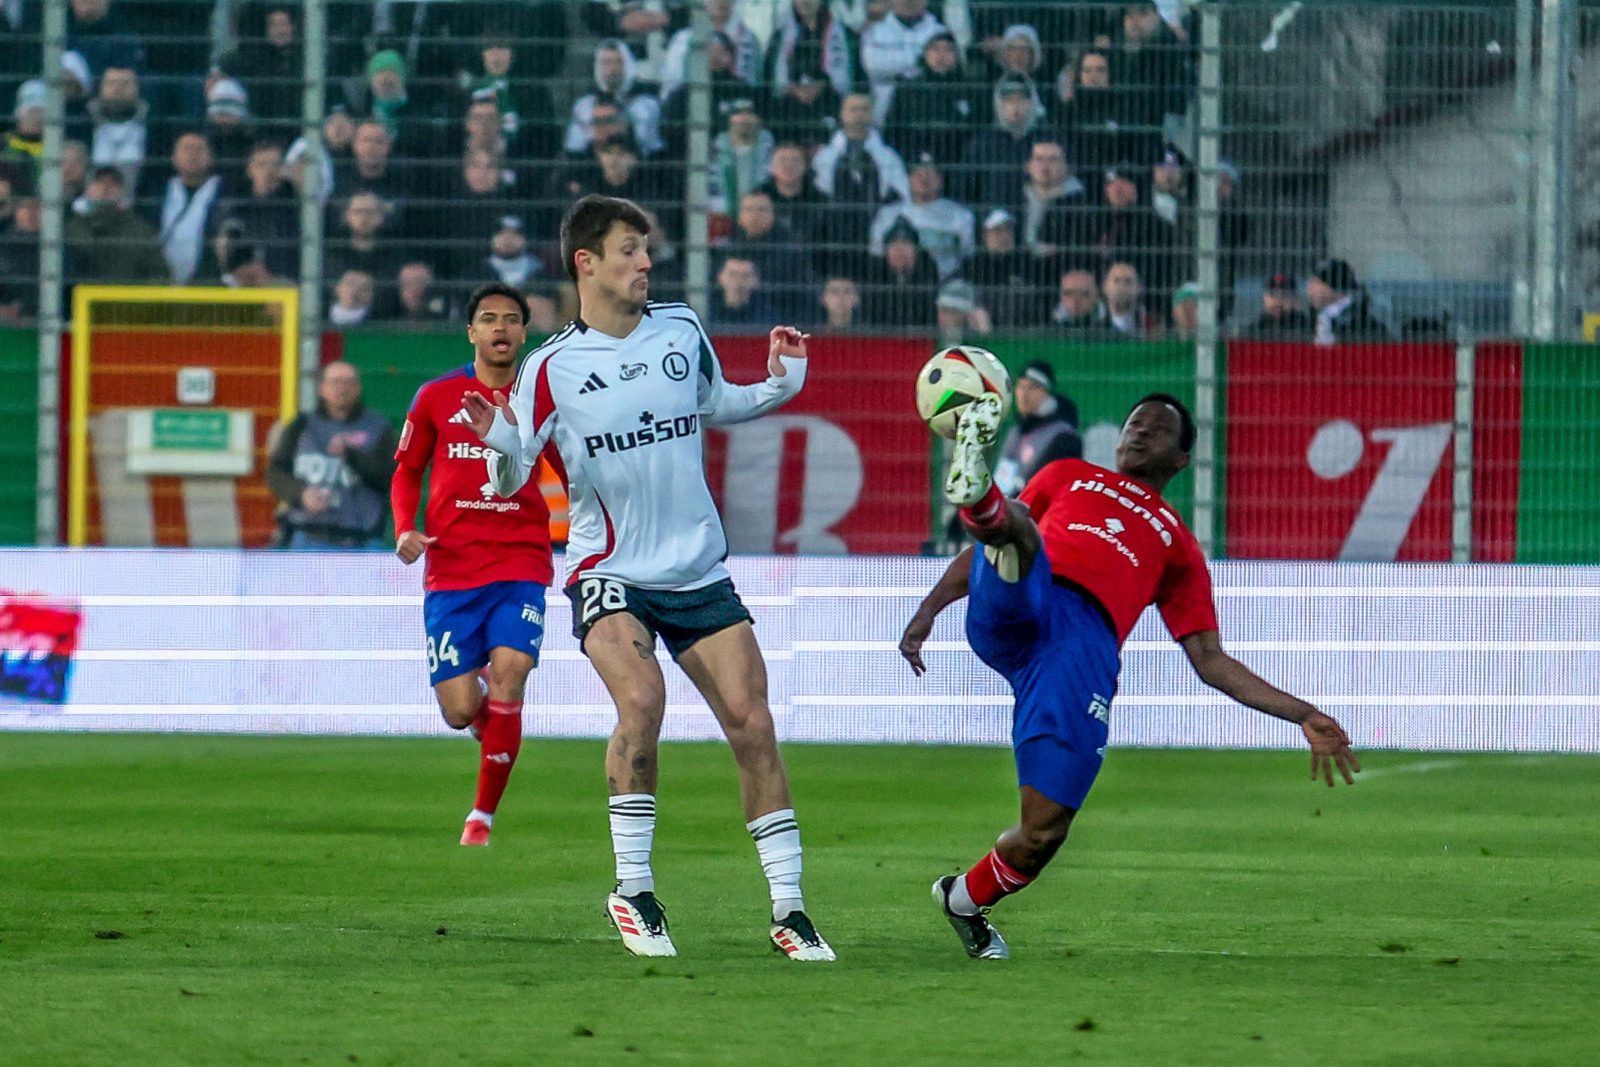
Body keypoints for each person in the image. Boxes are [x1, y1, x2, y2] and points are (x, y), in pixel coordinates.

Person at [463, 194, 834, 962]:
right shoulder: (549, 366)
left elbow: (711, 403)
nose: (645, 262)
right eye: (630, 249)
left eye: (646, 250)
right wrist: (500, 441)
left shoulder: (682, 327)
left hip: (696, 565)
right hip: (611, 570)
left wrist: (778, 387)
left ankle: (791, 911)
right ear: (586, 262)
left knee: (754, 724)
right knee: (643, 698)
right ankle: (632, 891)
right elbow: (510, 474)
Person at [900, 391, 1360, 960]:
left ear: (1182, 460)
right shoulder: (1068, 473)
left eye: (1157, 430)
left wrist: (1304, 713)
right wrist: (928, 610)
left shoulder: (1177, 543)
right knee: (1017, 530)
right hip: (1030, 599)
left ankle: (963, 901)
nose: (1139, 433)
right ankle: (981, 500)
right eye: (1134, 424)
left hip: (1080, 651)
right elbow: (983, 556)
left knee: (1043, 832)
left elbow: (1210, 660)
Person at [391, 284, 554, 846]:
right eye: (489, 319)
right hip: (452, 569)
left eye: (512, 319)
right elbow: (408, 469)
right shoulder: (437, 395)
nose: (500, 328)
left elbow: (573, 470)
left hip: (521, 563)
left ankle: (480, 817)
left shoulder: (537, 401)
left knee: (511, 674)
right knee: (462, 711)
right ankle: (497, 733)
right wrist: (404, 529)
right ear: (471, 333)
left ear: (525, 333)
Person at [267, 361, 398, 548]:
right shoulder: (301, 426)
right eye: (335, 382)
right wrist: (301, 493)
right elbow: (275, 472)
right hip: (307, 536)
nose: (342, 389)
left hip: (362, 541)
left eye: (349, 383)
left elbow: (393, 477)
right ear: (322, 388)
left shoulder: (378, 427)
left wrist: (353, 457)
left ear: (358, 388)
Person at [993, 360, 1081, 496]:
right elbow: (1002, 481)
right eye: (1021, 386)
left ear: (1046, 393)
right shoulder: (1016, 432)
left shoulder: (1063, 437)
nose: (1024, 394)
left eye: (1032, 387)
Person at [1306, 258, 1391, 344]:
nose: (1309, 289)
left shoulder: (1362, 323)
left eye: (1315, 283)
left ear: (1333, 287)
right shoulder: (1315, 317)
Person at [1241, 272, 1313, 339]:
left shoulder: (1307, 328)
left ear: (1294, 299)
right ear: (1265, 298)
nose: (1278, 302)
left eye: (1284, 295)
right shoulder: (1254, 330)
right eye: (1273, 295)